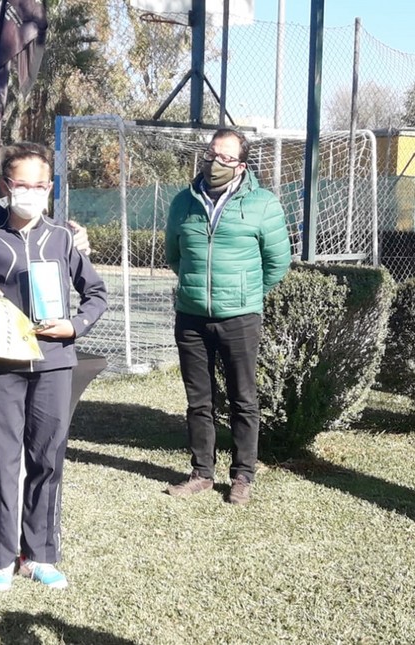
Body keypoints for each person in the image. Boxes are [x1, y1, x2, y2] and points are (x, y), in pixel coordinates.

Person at [0, 142, 107, 592]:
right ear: (5, 185)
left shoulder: (64, 237)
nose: (29, 192)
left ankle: (41, 555)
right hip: (1, 365)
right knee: (0, 458)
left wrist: (74, 326)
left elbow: (97, 294)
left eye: (38, 185)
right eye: (20, 184)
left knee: (46, 458)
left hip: (54, 364)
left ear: (49, 188)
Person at [164, 127, 291, 505]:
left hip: (240, 318)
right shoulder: (182, 202)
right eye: (211, 154)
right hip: (191, 317)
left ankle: (243, 476)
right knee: (198, 400)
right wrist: (197, 289)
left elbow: (277, 262)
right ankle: (202, 472)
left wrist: (245, 294)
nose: (215, 162)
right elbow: (175, 255)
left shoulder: (263, 204)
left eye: (225, 158)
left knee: (243, 399)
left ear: (241, 165)